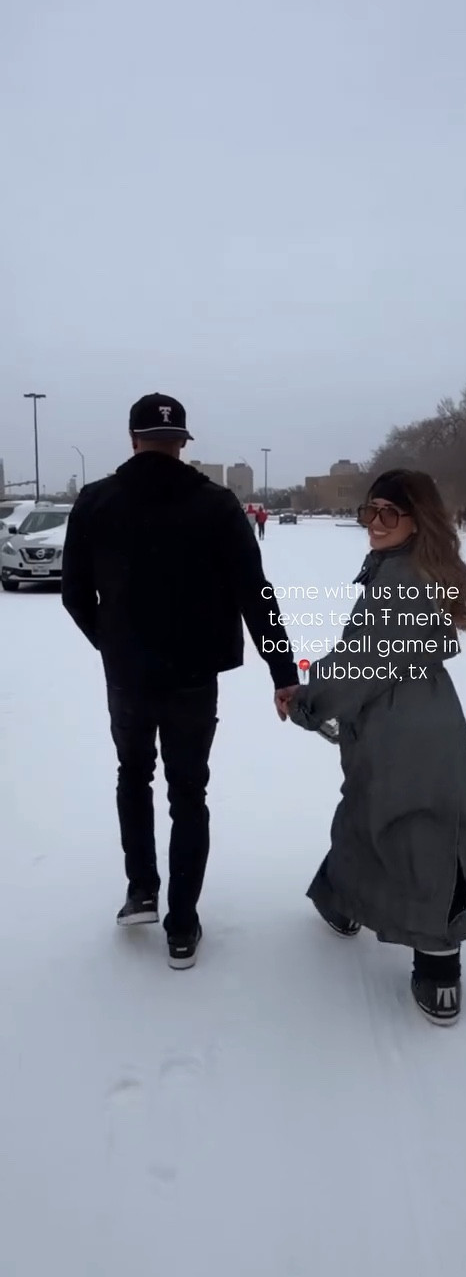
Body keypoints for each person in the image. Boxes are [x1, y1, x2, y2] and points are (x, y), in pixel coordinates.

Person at [61, 393, 298, 969]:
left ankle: (142, 888)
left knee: (133, 775)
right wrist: (283, 673)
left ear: (133, 439)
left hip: (129, 677)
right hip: (194, 677)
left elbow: (73, 594)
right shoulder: (217, 505)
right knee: (189, 793)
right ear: (182, 443)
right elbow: (254, 594)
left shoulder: (95, 503)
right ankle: (183, 924)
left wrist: (111, 641)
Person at [279, 469, 466, 1025]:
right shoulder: (417, 568)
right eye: (368, 512)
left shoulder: (399, 579)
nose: (373, 524)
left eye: (387, 514)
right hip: (424, 713)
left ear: (415, 520)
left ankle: (438, 968)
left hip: (400, 724)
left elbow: (358, 665)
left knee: (406, 826)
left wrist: (306, 702)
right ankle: (347, 903)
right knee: (392, 820)